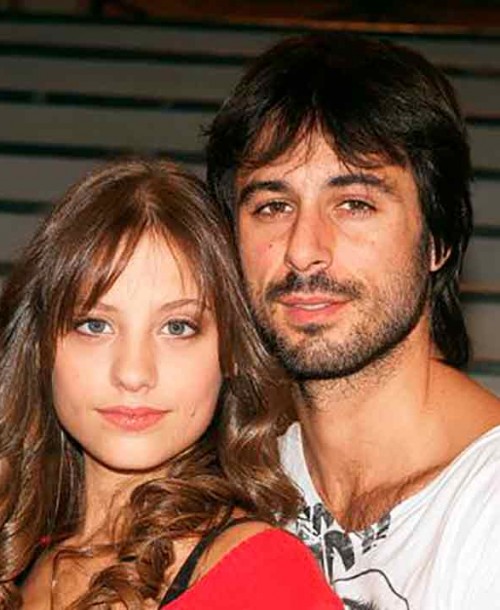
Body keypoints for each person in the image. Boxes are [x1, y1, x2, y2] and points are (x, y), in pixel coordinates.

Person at [206, 32, 500, 609]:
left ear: (437, 241)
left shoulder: (486, 508)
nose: (304, 251)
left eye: (355, 204)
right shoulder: (229, 490)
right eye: (272, 206)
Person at [0, 159, 343, 609]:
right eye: (95, 325)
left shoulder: (260, 576)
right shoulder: (19, 556)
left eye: (177, 327)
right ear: (42, 347)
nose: (134, 373)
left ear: (230, 353)